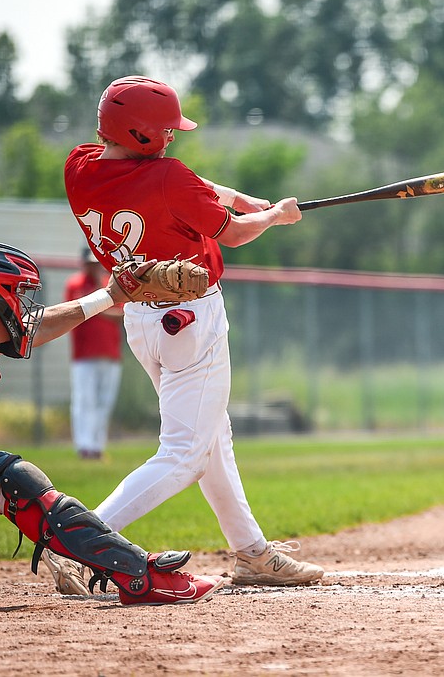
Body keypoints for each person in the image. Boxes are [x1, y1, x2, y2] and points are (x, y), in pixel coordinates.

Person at [56, 75, 323, 595]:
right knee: (185, 452)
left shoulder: (79, 166)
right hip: (192, 321)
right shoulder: (167, 178)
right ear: (141, 135)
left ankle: (252, 553)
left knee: (211, 437)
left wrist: (245, 199)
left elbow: (188, 187)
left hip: (140, 319)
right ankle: (76, 539)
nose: (172, 138)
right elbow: (235, 232)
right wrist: (273, 216)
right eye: (164, 130)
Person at [0, 239, 225, 611]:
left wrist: (111, 295)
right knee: (2, 479)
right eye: (19, 292)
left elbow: (33, 330)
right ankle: (140, 575)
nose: (25, 305)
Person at [64, 247, 123, 460]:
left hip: (110, 353)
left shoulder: (110, 284)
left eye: (97, 262)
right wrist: (101, 298)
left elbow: (120, 315)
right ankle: (84, 446)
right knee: (84, 400)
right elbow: (81, 313)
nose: (94, 266)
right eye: (90, 263)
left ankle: (97, 447)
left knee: (104, 402)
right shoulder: (75, 284)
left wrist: (100, 289)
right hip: (84, 355)